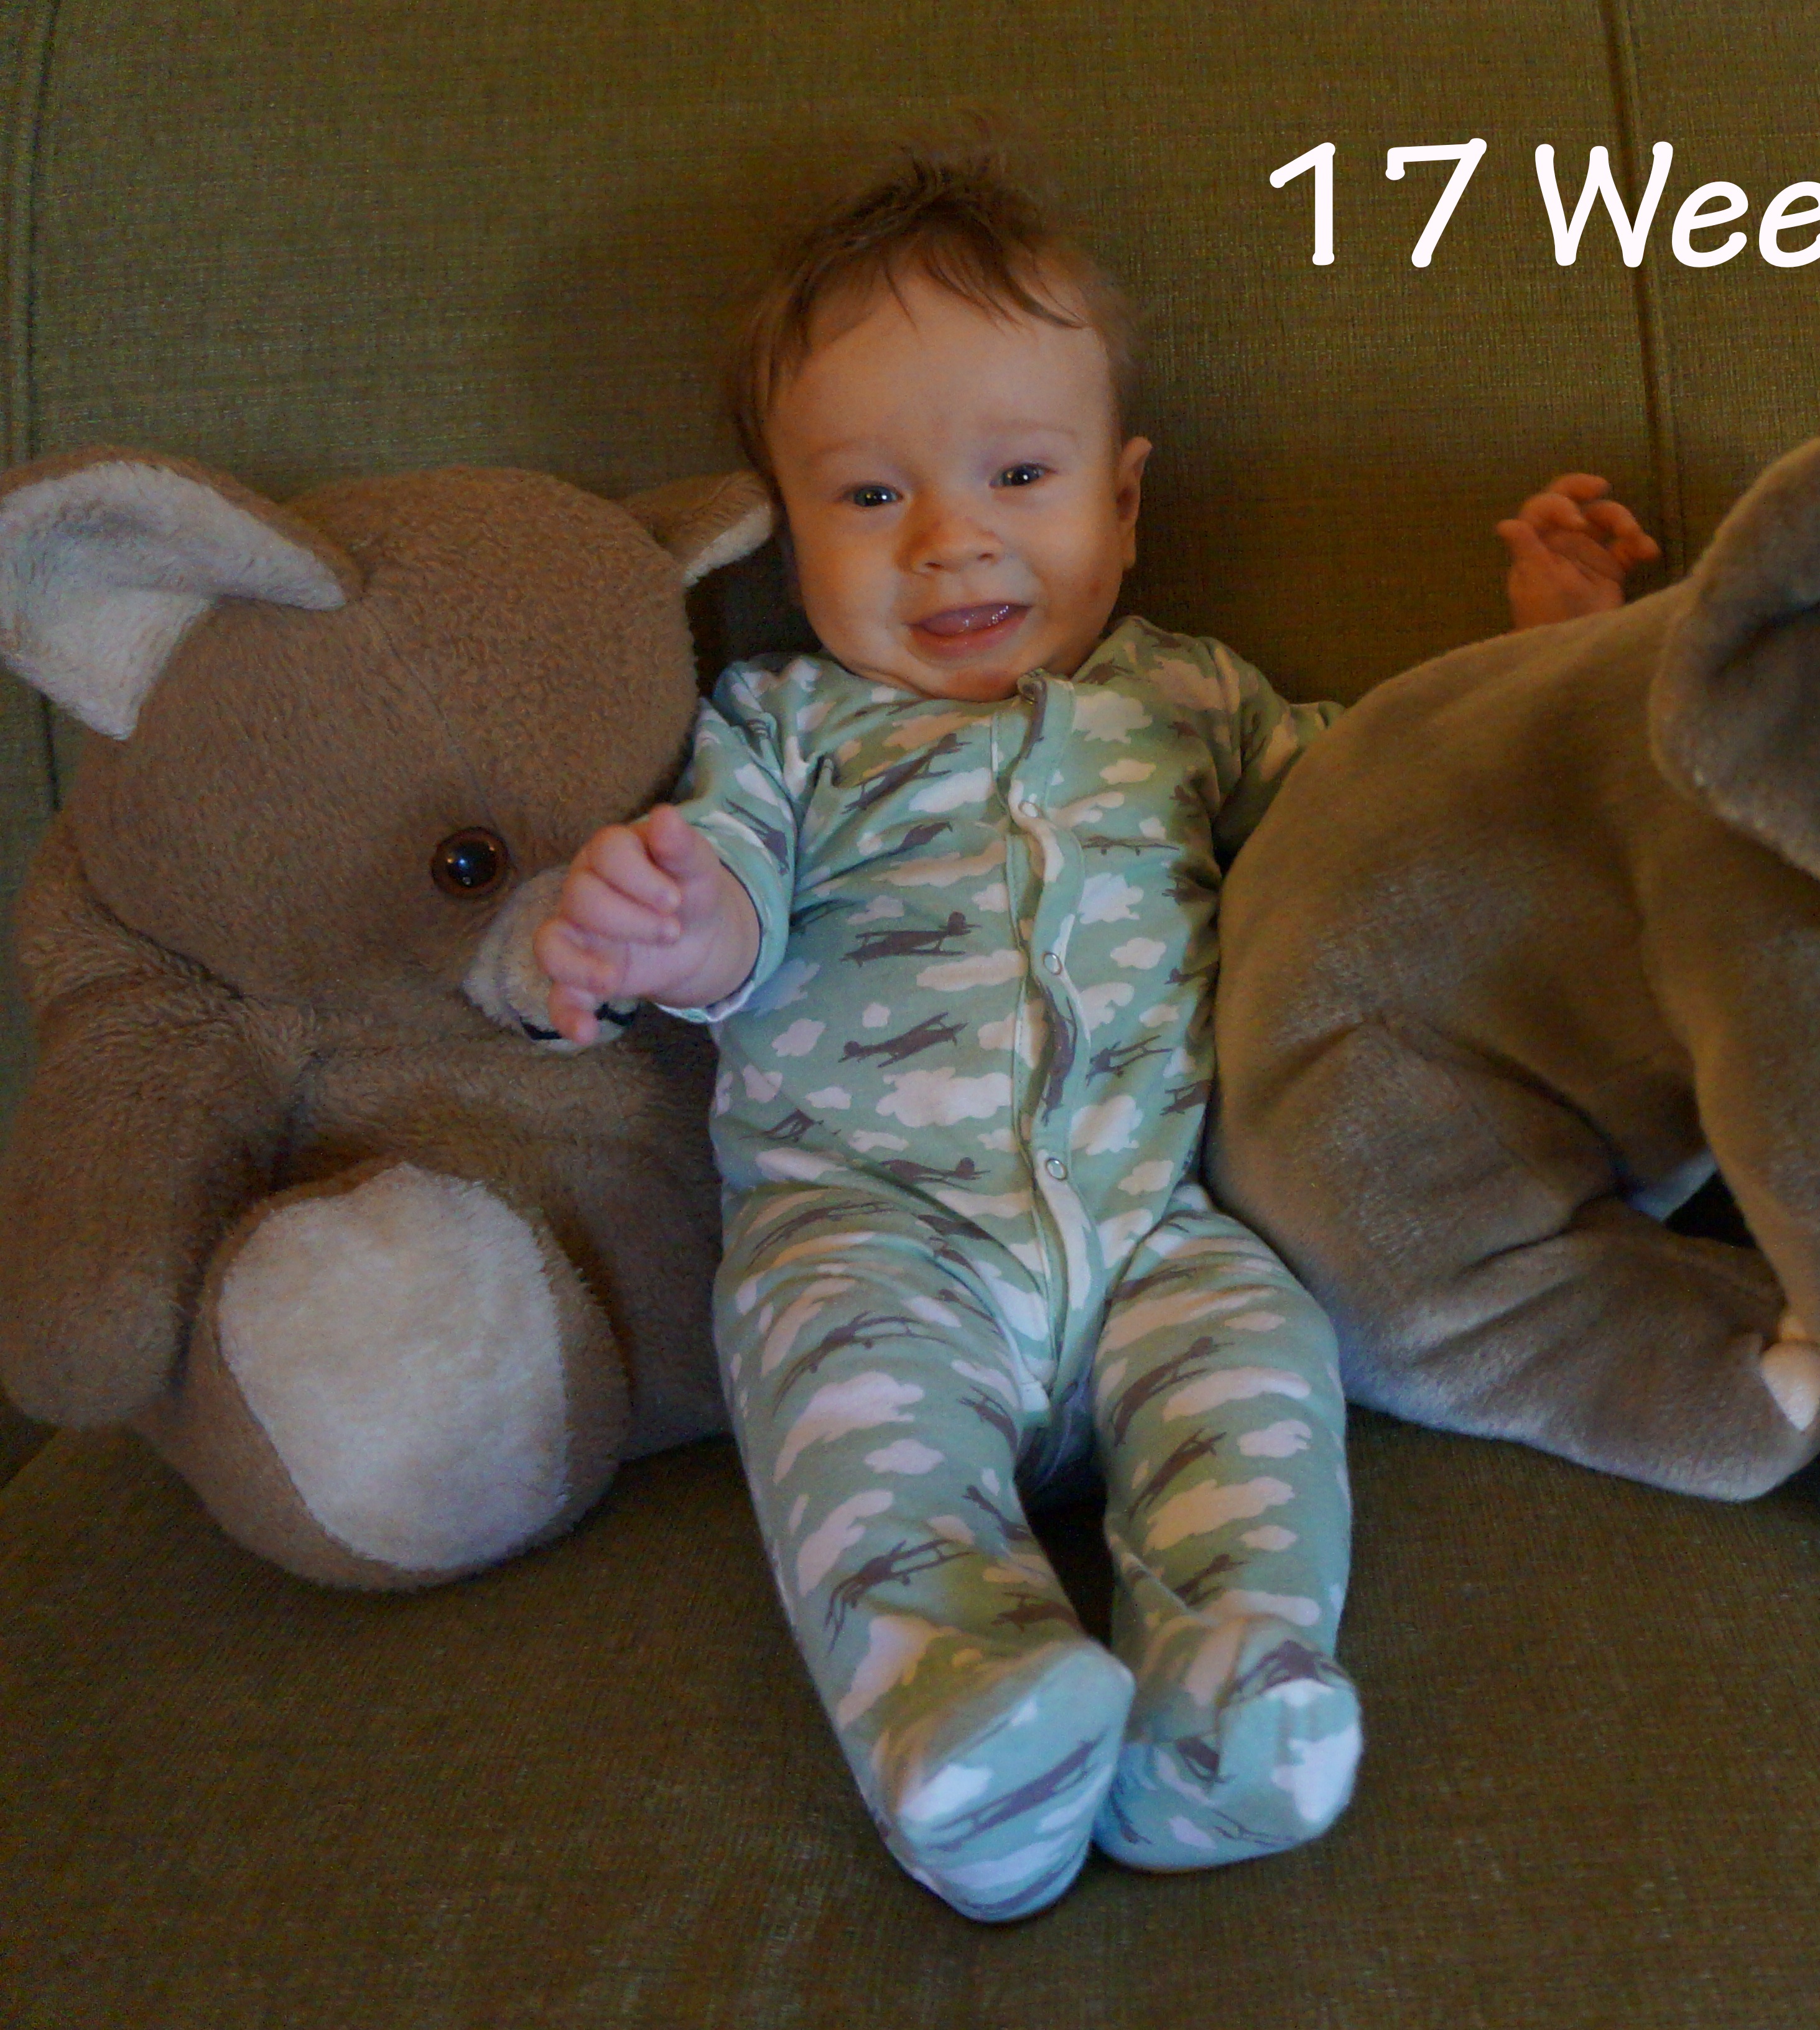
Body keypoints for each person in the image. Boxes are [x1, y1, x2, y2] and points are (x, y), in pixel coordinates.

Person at [534, 138, 1652, 1921]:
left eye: (1020, 474)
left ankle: (1228, 1699)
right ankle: (960, 1729)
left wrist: (1541, 664)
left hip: (1160, 1228)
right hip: (877, 1236)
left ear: (1123, 504)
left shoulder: (1191, 702)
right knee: (846, 1424)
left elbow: (1388, 820)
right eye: (871, 496)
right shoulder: (786, 724)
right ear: (787, 530)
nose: (954, 538)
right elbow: (734, 898)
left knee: (1267, 1375)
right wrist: (673, 925)